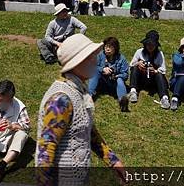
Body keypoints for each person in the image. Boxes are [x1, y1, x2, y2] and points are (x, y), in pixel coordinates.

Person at [36, 34, 125, 185]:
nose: (96, 60)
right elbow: (46, 148)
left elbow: (88, 131)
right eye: (91, 57)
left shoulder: (79, 91)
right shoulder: (61, 99)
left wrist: (113, 161)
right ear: (76, 62)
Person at [128, 30, 170, 109]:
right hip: (141, 79)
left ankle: (164, 98)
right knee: (134, 68)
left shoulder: (159, 54)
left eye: (153, 44)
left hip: (153, 80)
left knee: (160, 75)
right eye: (148, 44)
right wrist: (138, 63)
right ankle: (133, 91)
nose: (150, 46)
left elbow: (163, 69)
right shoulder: (139, 52)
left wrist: (155, 70)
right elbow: (131, 65)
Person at [88, 36, 130, 112]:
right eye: (106, 47)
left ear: (115, 48)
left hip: (114, 84)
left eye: (110, 47)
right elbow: (92, 67)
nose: (107, 49)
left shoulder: (121, 58)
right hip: (101, 82)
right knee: (95, 72)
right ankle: (88, 96)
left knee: (120, 80)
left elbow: (125, 74)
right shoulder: (100, 55)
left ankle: (122, 101)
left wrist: (117, 76)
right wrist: (102, 69)